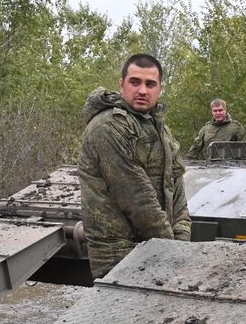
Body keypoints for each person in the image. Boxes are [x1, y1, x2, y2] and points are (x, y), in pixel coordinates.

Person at [79, 53, 191, 280]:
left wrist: (181, 241)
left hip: (157, 249)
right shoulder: (108, 127)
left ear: (160, 89)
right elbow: (138, 198)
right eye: (135, 82)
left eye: (150, 84)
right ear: (121, 84)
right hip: (119, 256)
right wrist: (173, 252)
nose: (142, 90)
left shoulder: (159, 130)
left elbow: (175, 191)